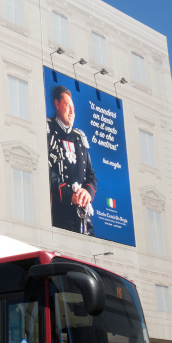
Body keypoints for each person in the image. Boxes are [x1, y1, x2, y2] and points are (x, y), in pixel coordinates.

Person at [47, 85, 97, 236]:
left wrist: (87, 193)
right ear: (57, 104)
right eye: (67, 105)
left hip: (83, 218)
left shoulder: (80, 138)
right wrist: (70, 194)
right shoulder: (47, 130)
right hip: (58, 215)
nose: (72, 112)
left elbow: (91, 177)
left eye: (73, 108)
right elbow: (44, 169)